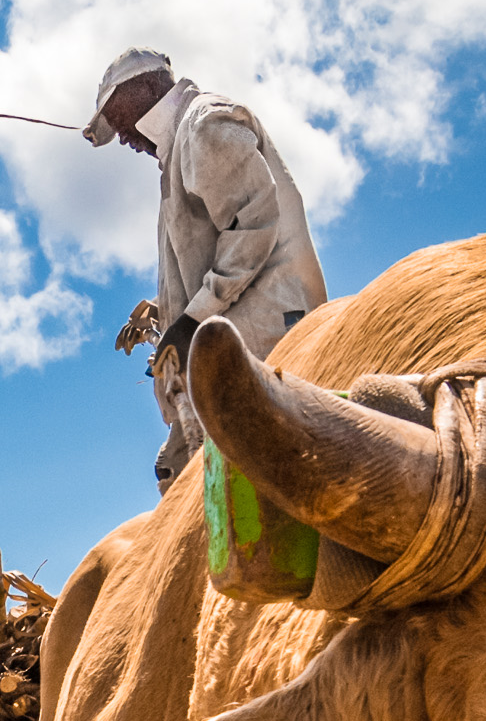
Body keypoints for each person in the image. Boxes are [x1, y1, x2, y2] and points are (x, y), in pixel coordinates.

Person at [85, 46, 330, 488]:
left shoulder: (203, 124)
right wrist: (165, 313)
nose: (120, 136)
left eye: (116, 117)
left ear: (144, 86)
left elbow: (252, 227)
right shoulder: (179, 149)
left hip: (269, 345)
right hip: (240, 349)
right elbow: (215, 256)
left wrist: (193, 320)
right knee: (176, 473)